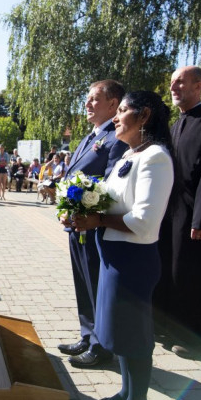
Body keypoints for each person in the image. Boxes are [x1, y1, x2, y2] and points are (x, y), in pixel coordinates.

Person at [71, 91, 174, 400]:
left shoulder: (156, 157)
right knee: (119, 330)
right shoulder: (131, 154)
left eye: (124, 110)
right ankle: (127, 394)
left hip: (133, 258)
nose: (115, 117)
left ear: (144, 116)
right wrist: (79, 207)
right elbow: (112, 199)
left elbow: (144, 221)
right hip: (113, 253)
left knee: (134, 333)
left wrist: (97, 220)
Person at [153, 65, 201, 360]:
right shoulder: (176, 125)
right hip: (171, 213)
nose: (173, 87)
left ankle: (197, 338)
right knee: (171, 272)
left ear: (198, 85)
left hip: (195, 216)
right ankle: (169, 328)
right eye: (172, 82)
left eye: (180, 82)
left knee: (192, 276)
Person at [59, 80, 128, 368]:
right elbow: (74, 174)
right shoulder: (92, 136)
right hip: (76, 223)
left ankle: (102, 346)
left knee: (97, 285)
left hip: (94, 225)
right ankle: (88, 335)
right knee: (83, 283)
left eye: (94, 99)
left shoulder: (115, 137)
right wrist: (64, 202)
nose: (87, 104)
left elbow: (110, 182)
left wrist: (83, 206)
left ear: (113, 104)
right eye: (87, 98)